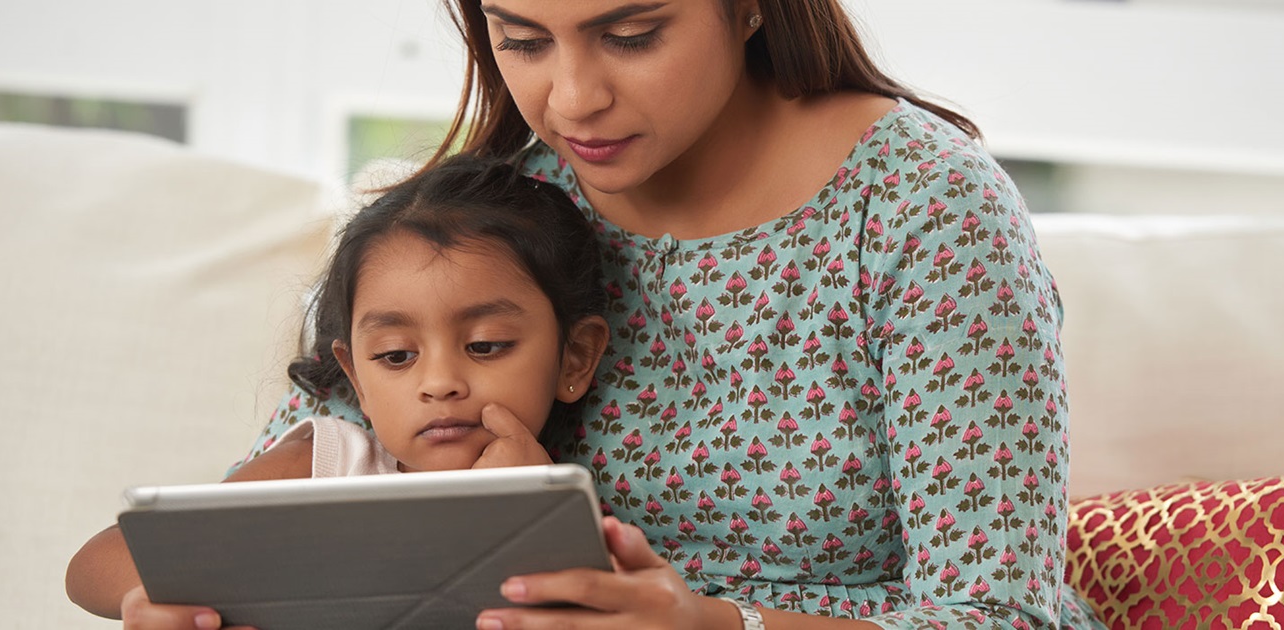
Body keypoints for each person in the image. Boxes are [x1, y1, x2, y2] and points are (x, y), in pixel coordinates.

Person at [77, 0, 1108, 628]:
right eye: (521, 39)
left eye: (630, 33)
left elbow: (998, 615)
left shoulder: (921, 207)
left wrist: (715, 626)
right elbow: (242, 525)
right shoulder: (479, 226)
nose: (572, 100)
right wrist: (192, 602)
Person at [64, 156, 612, 626]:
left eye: (487, 345)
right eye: (396, 356)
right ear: (357, 381)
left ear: (576, 356)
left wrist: (518, 515)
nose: (440, 383)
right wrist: (185, 593)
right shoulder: (328, 466)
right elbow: (93, 565)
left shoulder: (571, 516)